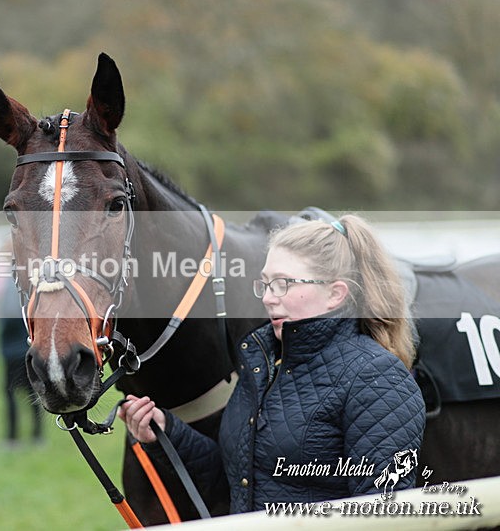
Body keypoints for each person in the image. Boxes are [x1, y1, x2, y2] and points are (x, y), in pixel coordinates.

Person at [119, 214, 426, 513]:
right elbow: (239, 482)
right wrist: (166, 433)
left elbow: (384, 515)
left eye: (283, 284)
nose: (267, 298)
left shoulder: (378, 379)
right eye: (265, 284)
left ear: (335, 294)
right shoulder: (262, 364)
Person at [0, 276, 43, 448]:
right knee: (33, 391)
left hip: (15, 351)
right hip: (23, 348)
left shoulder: (14, 284)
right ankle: (37, 435)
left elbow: (10, 318)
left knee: (13, 393)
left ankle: (13, 438)